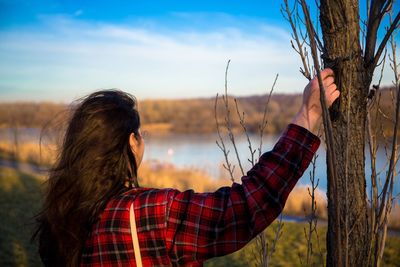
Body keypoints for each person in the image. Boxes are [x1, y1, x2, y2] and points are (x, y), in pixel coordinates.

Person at [33, 68, 339, 266]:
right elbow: (244, 208)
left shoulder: (62, 218)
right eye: (140, 134)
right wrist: (308, 116)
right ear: (130, 142)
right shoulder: (150, 213)